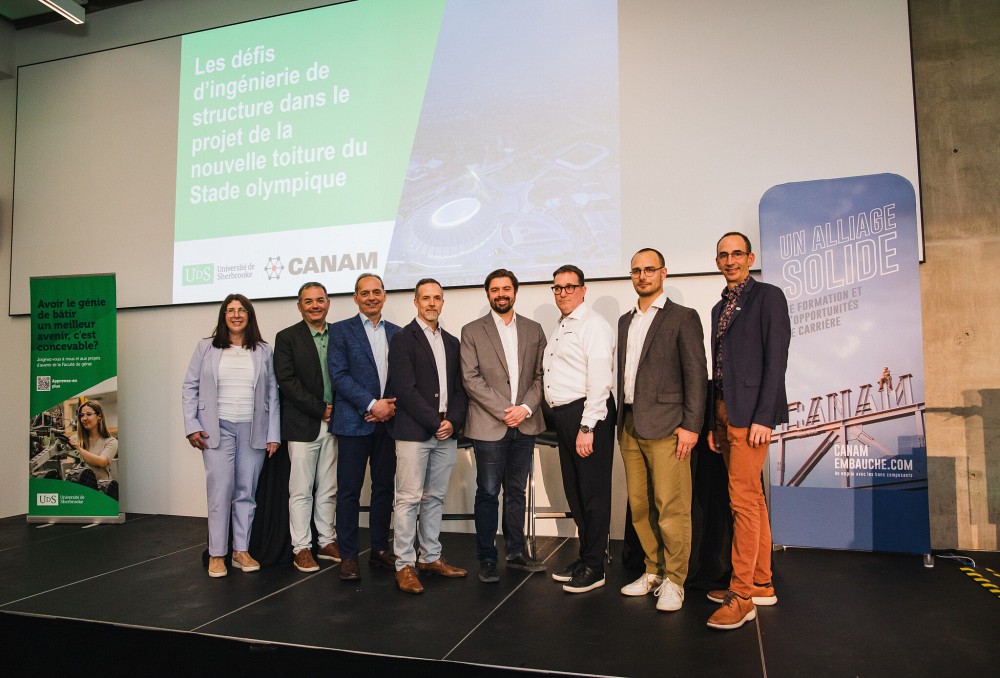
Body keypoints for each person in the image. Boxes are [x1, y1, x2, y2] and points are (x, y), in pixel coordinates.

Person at [706, 232, 791, 630]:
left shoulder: (768, 296)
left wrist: (764, 417)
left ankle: (740, 595)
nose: (730, 260)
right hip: (724, 413)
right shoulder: (717, 307)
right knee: (752, 497)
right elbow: (718, 369)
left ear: (750, 257)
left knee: (741, 501)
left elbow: (777, 360)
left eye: (737, 253)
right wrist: (712, 420)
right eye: (723, 255)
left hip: (751, 415)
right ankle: (761, 581)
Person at [616, 248, 707, 611]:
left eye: (649, 269)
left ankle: (676, 579)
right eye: (636, 270)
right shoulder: (625, 320)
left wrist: (691, 426)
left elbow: (696, 375)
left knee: (671, 506)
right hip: (630, 424)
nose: (642, 276)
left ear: (663, 273)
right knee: (640, 506)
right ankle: (653, 569)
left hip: (670, 426)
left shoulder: (683, 317)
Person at [182, 294, 280, 578]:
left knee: (246, 493)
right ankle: (217, 554)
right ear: (223, 316)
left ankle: (240, 550)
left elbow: (273, 394)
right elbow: (190, 387)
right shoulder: (206, 347)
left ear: (249, 315)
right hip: (216, 429)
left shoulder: (263, 350)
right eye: (230, 310)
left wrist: (273, 433)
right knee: (219, 492)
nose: (236, 314)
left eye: (241, 310)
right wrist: (191, 424)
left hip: (254, 430)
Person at [460, 269, 547, 584]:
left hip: (525, 423)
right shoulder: (472, 331)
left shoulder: (534, 330)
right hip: (489, 424)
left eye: (506, 289)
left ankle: (516, 553)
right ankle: (486, 558)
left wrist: (523, 409)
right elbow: (470, 378)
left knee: (516, 491)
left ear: (515, 292)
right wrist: (504, 411)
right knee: (487, 492)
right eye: (495, 289)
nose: (501, 294)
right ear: (488, 294)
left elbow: (541, 375)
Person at [386, 278, 469, 593]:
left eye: (437, 298)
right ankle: (404, 565)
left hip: (446, 433)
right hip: (414, 432)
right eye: (426, 298)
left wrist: (454, 422)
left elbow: (460, 390)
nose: (431, 303)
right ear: (416, 302)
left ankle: (430, 557)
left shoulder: (451, 342)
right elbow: (404, 390)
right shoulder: (402, 339)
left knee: (435, 497)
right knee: (408, 499)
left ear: (443, 302)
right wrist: (435, 422)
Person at [543, 265, 616, 594]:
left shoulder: (593, 325)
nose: (562, 293)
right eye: (557, 288)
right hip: (566, 417)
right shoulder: (562, 325)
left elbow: (600, 380)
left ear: (583, 290)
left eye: (569, 287)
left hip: (588, 415)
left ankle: (596, 566)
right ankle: (586, 556)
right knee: (576, 492)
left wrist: (588, 426)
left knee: (593, 494)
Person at [329, 273, 401, 580]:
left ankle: (379, 550)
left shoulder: (398, 333)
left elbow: (402, 378)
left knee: (384, 489)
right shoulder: (341, 331)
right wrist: (372, 405)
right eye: (364, 293)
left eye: (376, 292)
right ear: (356, 298)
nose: (371, 297)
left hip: (389, 424)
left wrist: (389, 407)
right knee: (349, 492)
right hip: (353, 423)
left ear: (384, 296)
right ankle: (348, 556)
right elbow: (339, 375)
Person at [273, 282, 339, 574]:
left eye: (320, 300)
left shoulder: (340, 334)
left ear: (328, 303)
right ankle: (301, 547)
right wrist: (320, 408)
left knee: (329, 487)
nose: (315, 305)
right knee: (300, 490)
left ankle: (326, 541)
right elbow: (287, 382)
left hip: (337, 424)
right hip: (303, 424)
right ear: (299, 306)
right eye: (308, 301)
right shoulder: (286, 338)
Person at [67, 400, 118, 483]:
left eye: (89, 414)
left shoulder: (111, 442)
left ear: (99, 416)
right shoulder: (75, 439)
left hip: (100, 489)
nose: (84, 418)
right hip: (79, 487)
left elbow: (102, 462)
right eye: (81, 415)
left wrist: (79, 449)